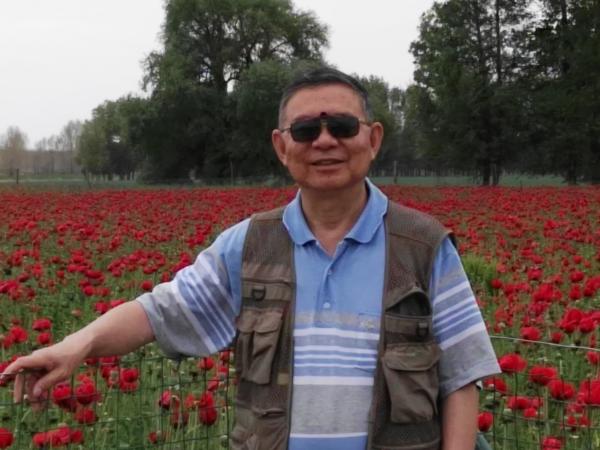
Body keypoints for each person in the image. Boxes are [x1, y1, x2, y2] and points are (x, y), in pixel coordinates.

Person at [3, 67, 499, 450]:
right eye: (305, 130)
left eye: (342, 126)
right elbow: (160, 311)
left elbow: (461, 378)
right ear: (282, 147)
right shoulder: (248, 245)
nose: (325, 141)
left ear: (373, 139)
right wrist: (77, 345)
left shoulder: (424, 246)